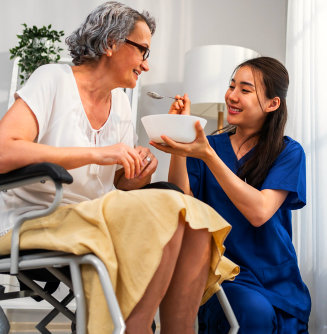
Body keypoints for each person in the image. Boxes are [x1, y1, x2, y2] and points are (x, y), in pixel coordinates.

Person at [0, 2, 238, 333]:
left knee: (194, 222)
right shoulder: (52, 79)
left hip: (97, 216)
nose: (146, 65)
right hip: (38, 220)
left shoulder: (121, 107)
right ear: (112, 43)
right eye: (142, 51)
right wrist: (97, 154)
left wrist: (135, 175)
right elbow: (3, 150)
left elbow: (119, 185)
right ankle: (135, 328)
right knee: (172, 208)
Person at [151, 56, 311, 333]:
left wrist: (208, 156)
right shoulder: (209, 145)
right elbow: (183, 200)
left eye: (245, 90)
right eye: (231, 86)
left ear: (273, 104)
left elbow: (259, 212)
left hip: (276, 276)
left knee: (264, 315)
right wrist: (180, 144)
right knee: (253, 313)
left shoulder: (288, 152)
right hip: (223, 272)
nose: (232, 96)